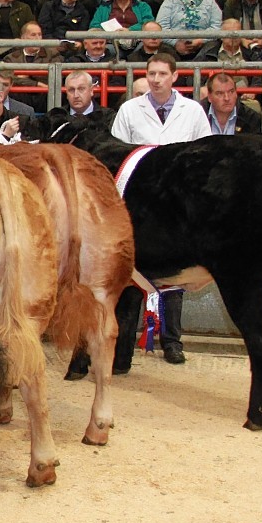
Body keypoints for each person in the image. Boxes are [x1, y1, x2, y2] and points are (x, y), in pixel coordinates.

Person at [111, 53, 208, 364]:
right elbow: (116, 153)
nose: (155, 79)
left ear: (174, 76)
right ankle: (122, 346)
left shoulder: (192, 111)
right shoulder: (129, 110)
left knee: (173, 272)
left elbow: (205, 152)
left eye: (162, 73)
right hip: (137, 204)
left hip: (177, 203)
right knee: (130, 271)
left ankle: (172, 341)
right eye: (151, 73)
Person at [155, 0, 221, 58]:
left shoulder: (210, 1)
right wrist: (175, 43)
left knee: (213, 46)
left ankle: (198, 68)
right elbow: (161, 26)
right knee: (163, 48)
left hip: (203, 45)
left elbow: (217, 26)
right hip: (174, 46)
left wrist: (201, 40)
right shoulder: (170, 0)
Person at [202, 71, 262, 136]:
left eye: (231, 92)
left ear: (236, 93)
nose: (227, 98)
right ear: (209, 97)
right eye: (220, 93)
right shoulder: (198, 115)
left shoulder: (252, 119)